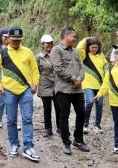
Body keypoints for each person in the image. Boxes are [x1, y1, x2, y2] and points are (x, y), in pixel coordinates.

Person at [0, 26, 40, 162]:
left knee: (27, 118)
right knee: (11, 120)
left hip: (25, 90)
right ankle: (14, 144)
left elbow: (35, 70)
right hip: (9, 91)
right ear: (8, 39)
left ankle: (28, 147)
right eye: (14, 40)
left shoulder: (28, 52)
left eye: (19, 40)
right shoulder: (2, 53)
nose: (17, 42)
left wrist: (35, 83)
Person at [50, 26, 90, 155]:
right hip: (63, 90)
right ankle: (66, 142)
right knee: (64, 116)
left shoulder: (75, 51)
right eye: (73, 36)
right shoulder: (56, 50)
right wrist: (74, 79)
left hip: (77, 90)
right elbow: (58, 68)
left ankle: (78, 140)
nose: (75, 39)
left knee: (82, 113)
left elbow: (81, 67)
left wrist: (80, 79)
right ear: (66, 36)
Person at [76, 37, 108, 134]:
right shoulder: (84, 55)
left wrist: (107, 76)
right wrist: (85, 39)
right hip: (88, 84)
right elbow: (78, 48)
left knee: (99, 104)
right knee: (89, 101)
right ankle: (85, 124)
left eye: (96, 47)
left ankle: (97, 125)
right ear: (88, 47)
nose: (94, 49)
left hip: (100, 84)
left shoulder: (101, 55)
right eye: (92, 47)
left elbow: (106, 66)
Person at [36, 34, 60, 137]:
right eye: (47, 43)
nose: (49, 45)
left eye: (51, 43)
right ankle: (48, 129)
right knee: (47, 108)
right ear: (42, 45)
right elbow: (35, 71)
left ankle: (60, 128)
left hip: (57, 86)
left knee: (59, 107)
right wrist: (34, 85)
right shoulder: (38, 57)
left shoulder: (57, 55)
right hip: (44, 86)